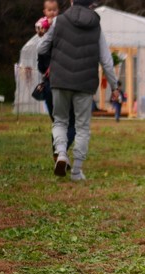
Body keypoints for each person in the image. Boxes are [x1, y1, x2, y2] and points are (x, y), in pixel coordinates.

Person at [38, 0, 118, 181]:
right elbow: (106, 60)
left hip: (60, 80)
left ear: (72, 1)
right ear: (91, 4)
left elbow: (41, 48)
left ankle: (61, 154)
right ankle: (76, 171)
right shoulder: (96, 26)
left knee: (60, 121)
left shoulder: (59, 21)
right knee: (82, 127)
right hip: (85, 84)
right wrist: (114, 86)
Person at [35, 0, 76, 164]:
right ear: (44, 11)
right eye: (49, 10)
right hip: (64, 82)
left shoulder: (46, 34)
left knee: (58, 122)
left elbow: (40, 63)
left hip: (49, 84)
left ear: (58, 11)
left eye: (54, 10)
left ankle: (58, 152)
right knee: (71, 122)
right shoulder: (46, 30)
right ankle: (61, 152)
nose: (52, 13)